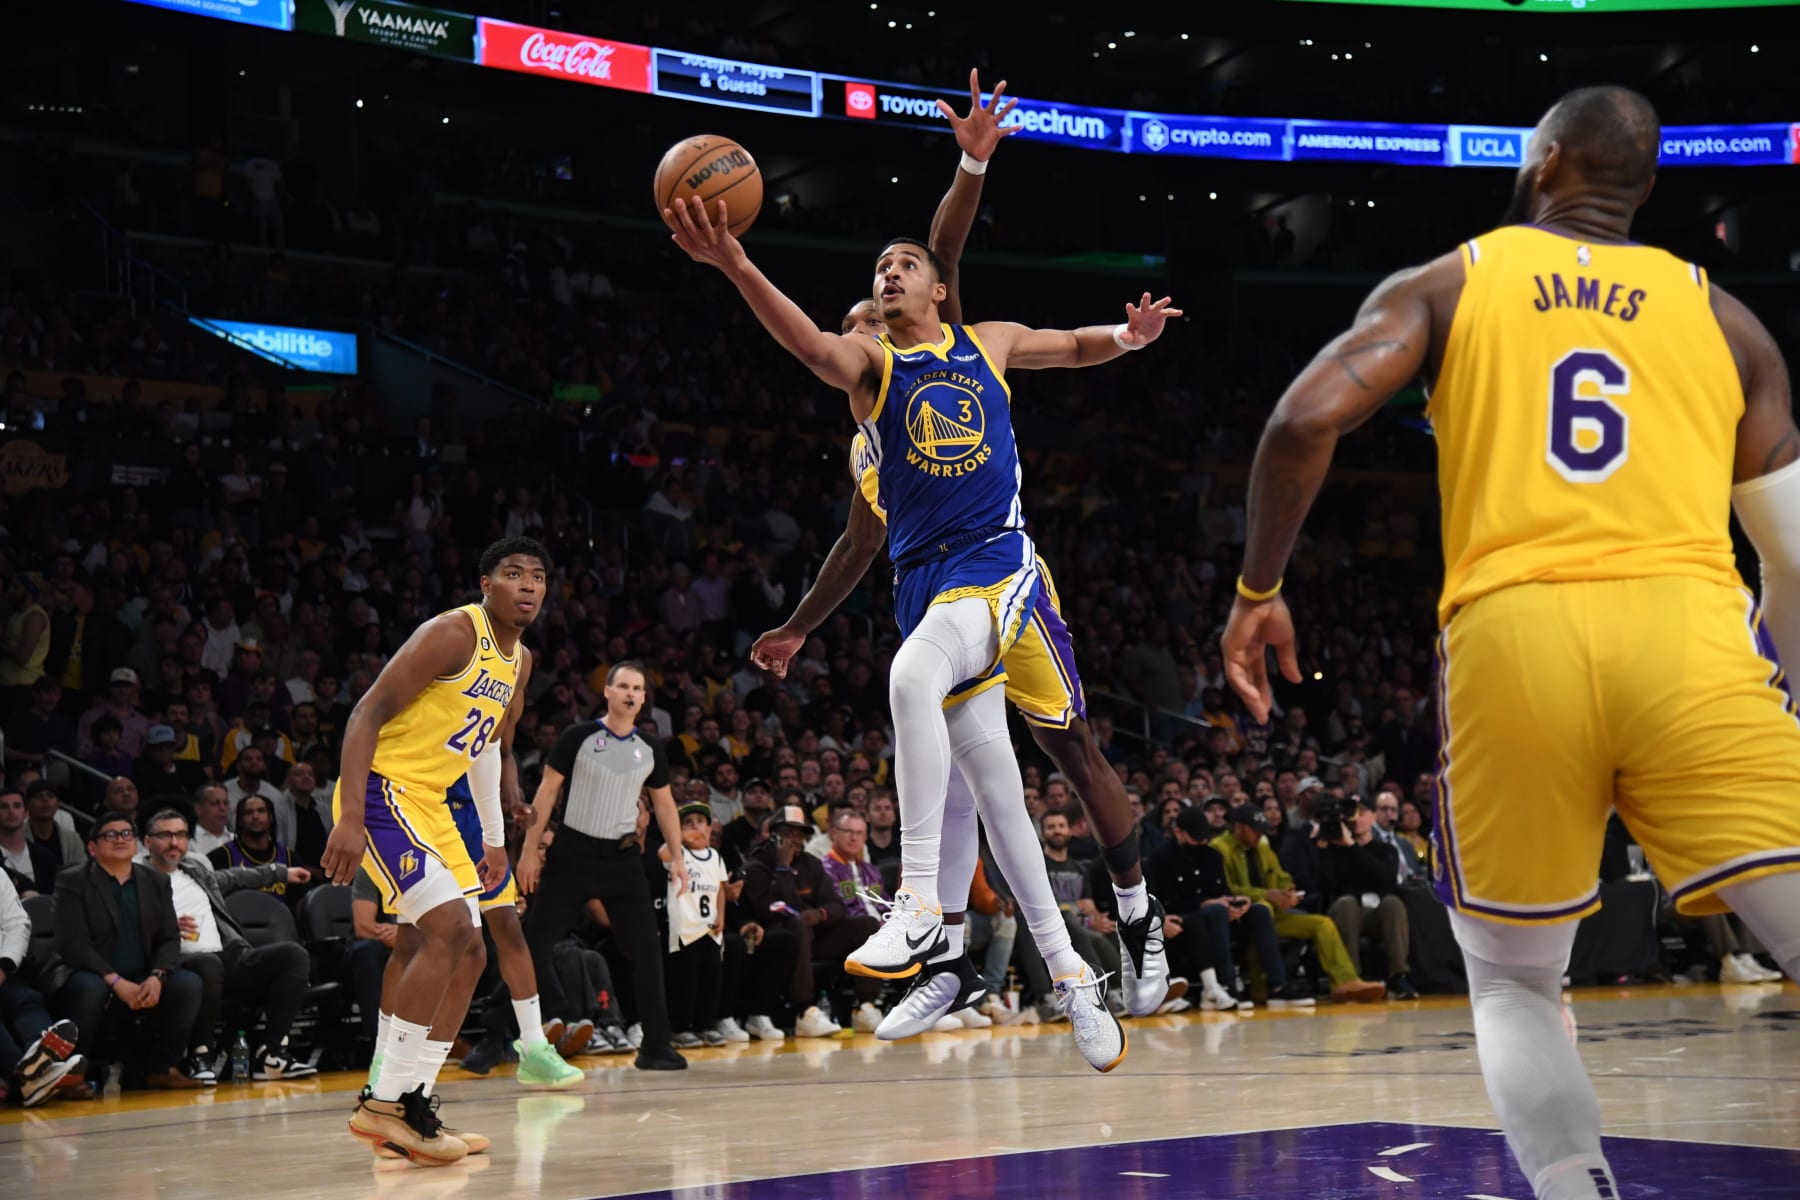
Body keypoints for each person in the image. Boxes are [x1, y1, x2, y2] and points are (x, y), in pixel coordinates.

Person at [1219, 86, 1800, 1200]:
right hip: (1688, 628)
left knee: (1518, 983)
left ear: (1542, 161)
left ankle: (1576, 1188)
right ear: (1645, 183)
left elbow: (1301, 420)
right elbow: (1794, 554)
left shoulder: (1452, 281)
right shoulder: (1725, 318)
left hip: (1513, 631)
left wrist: (1260, 587)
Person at [665, 86, 1178, 1003]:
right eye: (877, 272)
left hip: (1003, 571)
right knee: (980, 776)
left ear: (935, 287)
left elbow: (1062, 336)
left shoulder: (984, 340)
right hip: (930, 592)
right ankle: (974, 953)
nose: (887, 278)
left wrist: (1125, 335)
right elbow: (852, 527)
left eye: (902, 267)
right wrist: (795, 628)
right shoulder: (871, 398)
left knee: (1070, 754)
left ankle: (1131, 914)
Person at [321, 537, 546, 1165]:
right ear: (485, 583)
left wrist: (495, 840)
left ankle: (413, 1103)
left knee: (471, 948)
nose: (527, 585)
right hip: (384, 790)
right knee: (447, 929)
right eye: (512, 574)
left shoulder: (519, 663)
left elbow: (483, 753)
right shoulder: (453, 634)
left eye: (537, 577)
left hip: (436, 805)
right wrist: (348, 814)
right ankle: (383, 1104)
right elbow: (366, 713)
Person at [515, 661, 692, 1072]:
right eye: (624, 686)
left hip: (622, 858)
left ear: (645, 698)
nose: (631, 693)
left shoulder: (650, 748)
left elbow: (664, 805)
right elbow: (546, 793)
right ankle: (497, 1035)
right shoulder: (578, 736)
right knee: (534, 947)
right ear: (607, 692)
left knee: (647, 950)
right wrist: (527, 851)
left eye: (638, 688)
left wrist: (678, 855)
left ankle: (656, 1045)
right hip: (571, 853)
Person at [140, 806, 317, 1081]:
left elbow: (235, 876)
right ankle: (199, 1054)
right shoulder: (136, 881)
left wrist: (282, 873)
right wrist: (165, 929)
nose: (175, 842)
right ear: (148, 841)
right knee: (209, 964)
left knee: (293, 955)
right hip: (176, 965)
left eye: (181, 835)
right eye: (165, 835)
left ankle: (271, 1054)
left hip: (227, 957)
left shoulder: (195, 870)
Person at [437, 763, 585, 1087]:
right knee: (468, 949)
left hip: (483, 823)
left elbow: (500, 750)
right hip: (436, 813)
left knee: (511, 931)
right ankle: (411, 1062)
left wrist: (514, 797)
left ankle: (534, 1047)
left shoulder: (506, 709)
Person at [53, 812, 206, 1089]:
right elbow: (72, 944)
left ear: (137, 843)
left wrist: (157, 976)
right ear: (92, 847)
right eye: (110, 835)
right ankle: (71, 1074)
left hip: (142, 973)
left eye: (126, 834)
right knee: (89, 988)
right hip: (92, 973)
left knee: (189, 983)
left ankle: (161, 1068)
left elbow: (169, 938)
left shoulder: (155, 880)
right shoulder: (73, 880)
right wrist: (114, 980)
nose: (120, 839)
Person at [1209, 805, 1385, 1004]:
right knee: (1263, 910)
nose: (1259, 834)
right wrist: (1268, 895)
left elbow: (1281, 876)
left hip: (1274, 914)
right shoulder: (1219, 849)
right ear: (1238, 827)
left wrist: (1287, 891)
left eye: (1261, 829)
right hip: (1237, 917)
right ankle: (1265, 985)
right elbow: (1226, 889)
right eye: (1254, 829)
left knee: (1322, 924)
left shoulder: (1262, 848)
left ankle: (1345, 982)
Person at [0, 871, 87, 1106]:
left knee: (27, 999)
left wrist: (5, 964)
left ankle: (41, 1065)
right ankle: (26, 1080)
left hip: (3, 969)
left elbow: (17, 923)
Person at [1320, 798, 1419, 1000]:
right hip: (1346, 914)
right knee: (1346, 904)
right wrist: (1328, 847)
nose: (1356, 818)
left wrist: (1353, 848)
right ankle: (1351, 977)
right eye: (1352, 813)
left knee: (1393, 903)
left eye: (1362, 812)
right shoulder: (1335, 851)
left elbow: (1385, 878)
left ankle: (1398, 976)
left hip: (1377, 915)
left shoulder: (1386, 850)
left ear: (1374, 816)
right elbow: (1328, 884)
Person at [661, 801, 732, 1048]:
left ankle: (705, 1025)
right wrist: (677, 838)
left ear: (710, 828)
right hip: (685, 930)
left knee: (710, 979)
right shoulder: (676, 853)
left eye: (700, 822)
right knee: (685, 980)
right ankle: (680, 1028)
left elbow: (721, 889)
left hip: (710, 929)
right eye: (687, 823)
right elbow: (662, 855)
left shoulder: (715, 857)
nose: (695, 827)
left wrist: (721, 915)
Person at [192, 784, 234, 858]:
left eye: (226, 803)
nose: (222, 808)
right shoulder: (188, 841)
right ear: (198, 808)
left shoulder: (237, 840)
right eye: (215, 803)